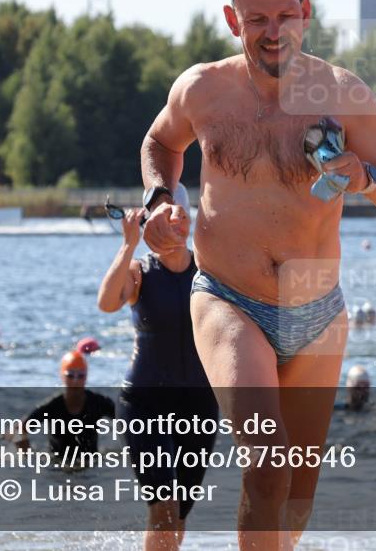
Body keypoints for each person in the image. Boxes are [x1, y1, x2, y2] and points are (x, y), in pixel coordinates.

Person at [140, 0, 376, 548]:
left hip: (318, 308)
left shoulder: (343, 94)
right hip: (228, 299)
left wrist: (366, 175)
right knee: (267, 471)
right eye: (257, 19)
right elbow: (162, 142)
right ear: (231, 20)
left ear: (306, 14)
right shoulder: (203, 89)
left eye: (285, 16)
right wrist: (160, 199)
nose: (274, 32)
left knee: (296, 496)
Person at [97, 185, 218, 551]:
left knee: (178, 516)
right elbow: (106, 303)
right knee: (164, 508)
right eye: (160, 213)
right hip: (145, 404)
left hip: (199, 406)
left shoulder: (210, 270)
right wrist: (127, 245)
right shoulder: (139, 271)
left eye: (176, 212)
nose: (171, 219)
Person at [15, 350, 116, 461]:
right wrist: (27, 456)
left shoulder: (98, 402)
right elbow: (19, 429)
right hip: (58, 467)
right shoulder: (52, 406)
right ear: (62, 376)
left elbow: (127, 421)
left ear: (86, 377)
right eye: (70, 375)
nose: (75, 381)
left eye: (80, 375)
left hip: (90, 465)